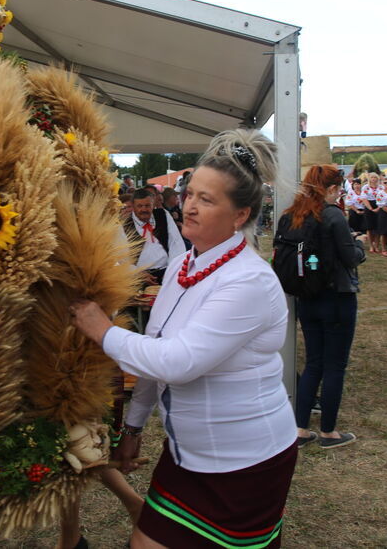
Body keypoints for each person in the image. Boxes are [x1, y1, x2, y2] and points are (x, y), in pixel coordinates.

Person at [71, 129, 297, 548]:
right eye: (190, 194)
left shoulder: (249, 280)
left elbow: (177, 361)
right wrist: (135, 426)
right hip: (186, 455)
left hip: (243, 461)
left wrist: (101, 328)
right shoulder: (181, 267)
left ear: (240, 215)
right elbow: (154, 347)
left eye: (206, 200)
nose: (189, 206)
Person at [285, 164, 366, 453]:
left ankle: (300, 428)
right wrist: (359, 245)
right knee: (335, 366)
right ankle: (329, 431)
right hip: (337, 298)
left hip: (308, 297)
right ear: (331, 189)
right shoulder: (332, 215)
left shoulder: (296, 213)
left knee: (314, 363)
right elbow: (350, 257)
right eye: (339, 188)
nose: (341, 193)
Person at [124, 187, 186, 285]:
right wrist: (138, 273)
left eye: (147, 205)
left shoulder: (163, 215)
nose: (144, 209)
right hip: (139, 277)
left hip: (167, 271)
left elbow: (176, 243)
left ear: (153, 205)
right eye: (139, 206)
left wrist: (171, 271)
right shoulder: (124, 224)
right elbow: (121, 259)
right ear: (133, 206)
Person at [359, 172, 382, 252]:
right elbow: (364, 198)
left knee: (378, 227)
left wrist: (378, 208)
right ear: (369, 179)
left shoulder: (381, 188)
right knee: (370, 227)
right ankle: (371, 245)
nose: (373, 179)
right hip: (369, 206)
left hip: (379, 205)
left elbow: (383, 198)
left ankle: (376, 245)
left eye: (375, 177)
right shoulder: (365, 187)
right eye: (372, 177)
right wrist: (371, 209)